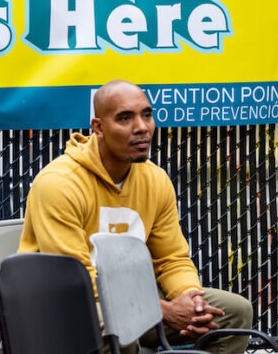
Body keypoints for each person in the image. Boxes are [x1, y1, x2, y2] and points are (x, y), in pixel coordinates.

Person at [18, 80, 254, 354]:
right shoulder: (59, 183)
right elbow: (75, 278)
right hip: (56, 305)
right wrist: (160, 310)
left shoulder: (155, 180)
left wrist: (191, 300)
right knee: (118, 324)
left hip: (130, 301)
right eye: (125, 118)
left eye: (147, 115)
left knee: (233, 313)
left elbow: (172, 258)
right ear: (98, 127)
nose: (142, 127)